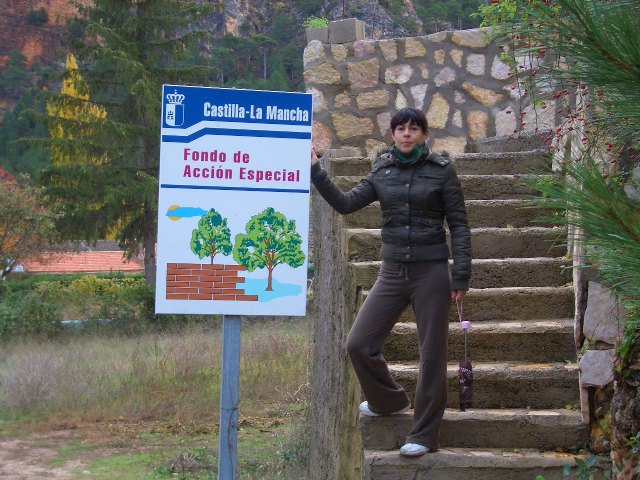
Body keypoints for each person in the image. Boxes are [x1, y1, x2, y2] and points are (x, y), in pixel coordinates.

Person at [310, 107, 471, 457]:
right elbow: (346, 203)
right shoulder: (381, 171)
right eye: (401, 128)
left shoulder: (442, 173)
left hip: (431, 273)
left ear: (424, 136)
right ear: (393, 135)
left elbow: (459, 225)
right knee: (358, 343)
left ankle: (425, 435)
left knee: (431, 356)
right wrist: (315, 170)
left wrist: (460, 275)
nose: (407, 133)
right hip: (392, 271)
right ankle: (387, 400)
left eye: (414, 128)